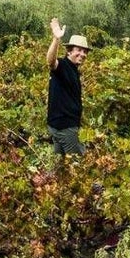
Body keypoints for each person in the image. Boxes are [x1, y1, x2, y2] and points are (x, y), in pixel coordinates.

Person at [46, 18, 88, 156]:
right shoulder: (63, 66)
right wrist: (56, 39)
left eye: (85, 51)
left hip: (57, 125)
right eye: (78, 50)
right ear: (69, 51)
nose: (82, 54)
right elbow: (51, 61)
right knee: (77, 166)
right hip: (65, 127)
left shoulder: (73, 69)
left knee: (61, 167)